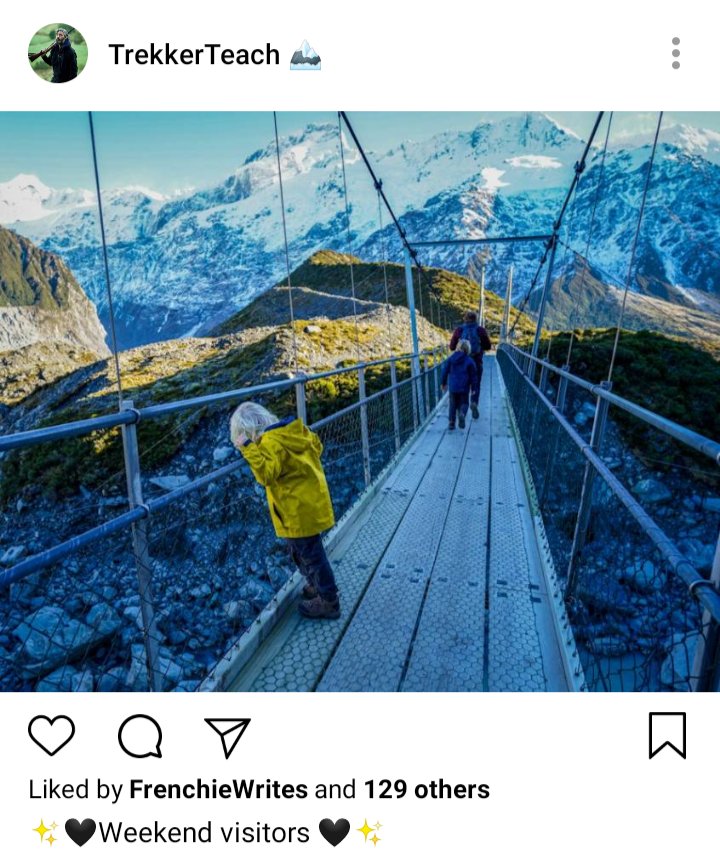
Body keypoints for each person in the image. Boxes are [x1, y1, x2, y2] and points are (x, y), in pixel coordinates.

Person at [230, 401, 340, 620]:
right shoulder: (294, 431)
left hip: (295, 511)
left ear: (249, 430)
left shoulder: (270, 442)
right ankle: (316, 586)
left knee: (312, 556)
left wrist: (248, 448)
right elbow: (317, 446)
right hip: (309, 503)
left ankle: (329, 601)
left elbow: (266, 474)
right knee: (306, 551)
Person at [449, 311, 492, 418]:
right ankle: (474, 402)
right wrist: (480, 346)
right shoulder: (480, 330)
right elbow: (488, 346)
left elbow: (452, 347)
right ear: (475, 319)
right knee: (476, 385)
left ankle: (462, 411)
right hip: (477, 362)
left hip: (462, 364)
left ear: (465, 319)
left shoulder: (459, 330)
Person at [441, 339, 478, 431]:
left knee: (452, 404)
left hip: (453, 387)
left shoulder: (451, 359)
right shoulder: (470, 361)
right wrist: (474, 388)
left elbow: (444, 372)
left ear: (458, 347)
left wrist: (443, 383)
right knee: (465, 403)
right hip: (464, 388)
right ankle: (462, 414)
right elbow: (473, 377)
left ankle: (451, 423)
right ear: (468, 349)